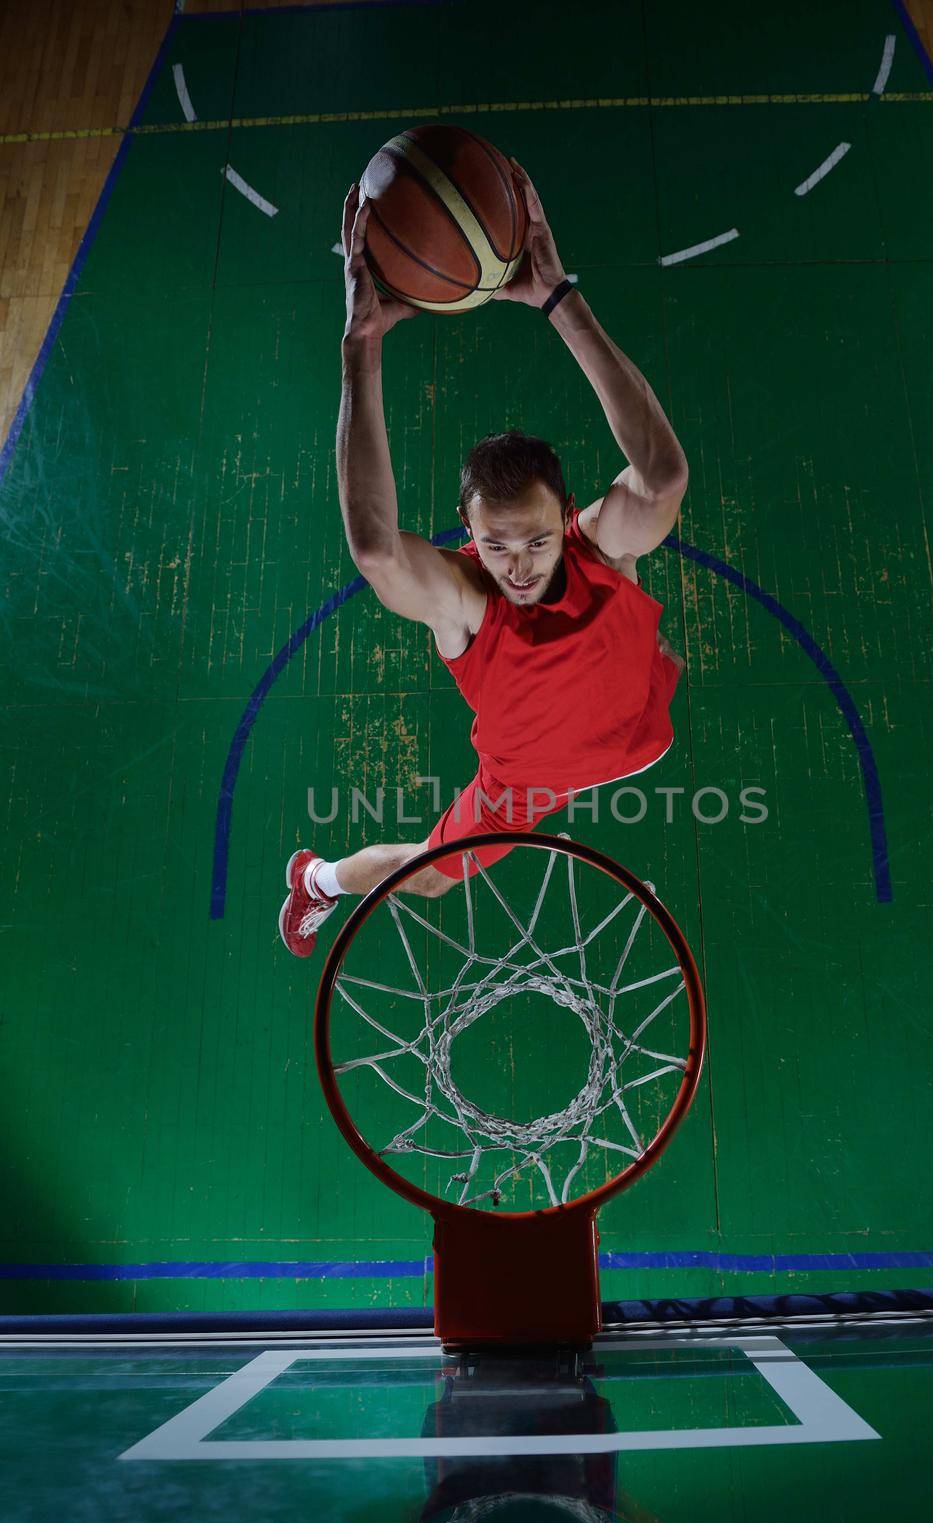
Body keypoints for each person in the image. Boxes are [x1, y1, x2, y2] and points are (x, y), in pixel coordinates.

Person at [280, 158, 688, 957]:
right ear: (469, 533)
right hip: (520, 781)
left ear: (566, 516)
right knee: (430, 875)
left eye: (537, 540)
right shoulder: (467, 602)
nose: (521, 565)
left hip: (632, 731)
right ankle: (318, 879)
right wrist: (360, 345)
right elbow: (374, 547)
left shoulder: (601, 546)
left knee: (648, 528)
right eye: (496, 546)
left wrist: (560, 300)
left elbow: (662, 475)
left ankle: (323, 878)